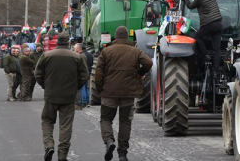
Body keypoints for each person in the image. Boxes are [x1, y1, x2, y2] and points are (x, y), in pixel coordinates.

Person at [95, 26, 152, 161]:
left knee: (106, 119)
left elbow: (98, 72)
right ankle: (122, 154)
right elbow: (149, 62)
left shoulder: (106, 51)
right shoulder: (135, 51)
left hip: (109, 92)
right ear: (127, 37)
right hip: (128, 93)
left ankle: (109, 141)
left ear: (116, 36)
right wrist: (140, 73)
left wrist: (100, 89)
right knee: (125, 122)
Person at [35, 32, 88, 161]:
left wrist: (45, 86)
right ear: (68, 43)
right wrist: (76, 87)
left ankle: (49, 145)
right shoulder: (77, 57)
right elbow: (84, 75)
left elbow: (38, 74)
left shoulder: (46, 55)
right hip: (68, 97)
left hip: (51, 95)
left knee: (47, 120)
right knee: (66, 126)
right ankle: (62, 155)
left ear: (57, 42)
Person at [181, 0, 223, 76]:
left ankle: (205, 55)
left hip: (209, 25)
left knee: (197, 36)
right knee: (217, 50)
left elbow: (191, 6)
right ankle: (215, 71)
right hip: (219, 24)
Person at [73, 43, 85, 110]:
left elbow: (83, 68)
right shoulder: (80, 55)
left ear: (79, 49)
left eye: (75, 48)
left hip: (79, 76)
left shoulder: (81, 56)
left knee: (79, 90)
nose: (74, 49)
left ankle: (78, 104)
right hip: (80, 75)